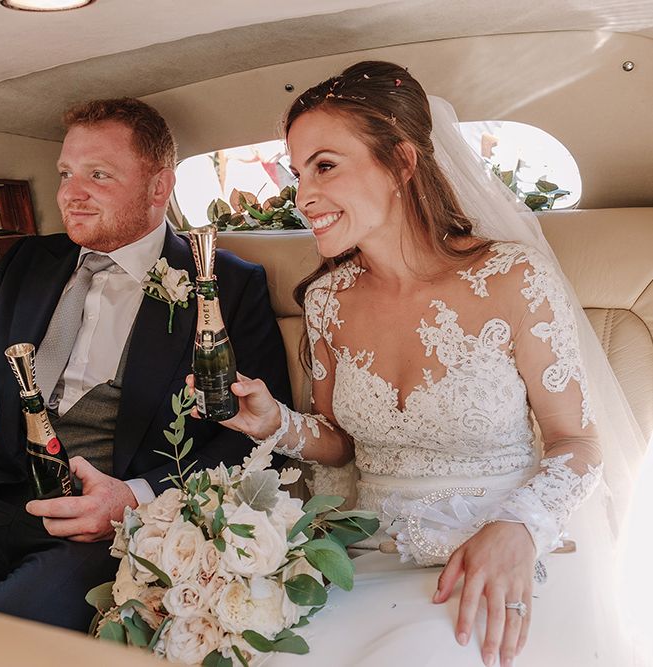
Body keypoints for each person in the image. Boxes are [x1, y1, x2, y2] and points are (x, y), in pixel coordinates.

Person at [194, 62, 647, 666]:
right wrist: (273, 421)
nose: (302, 195)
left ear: (402, 163)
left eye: (325, 165)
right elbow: (339, 445)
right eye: (297, 172)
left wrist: (518, 527)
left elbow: (576, 440)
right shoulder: (327, 300)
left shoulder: (513, 279)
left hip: (506, 551)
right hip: (373, 555)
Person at [0, 97, 291, 632]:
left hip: (108, 528)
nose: (72, 193)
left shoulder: (226, 285)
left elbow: (255, 438)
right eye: (67, 173)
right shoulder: (30, 262)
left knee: (3, 636)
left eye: (98, 174)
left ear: (159, 187)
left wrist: (136, 499)